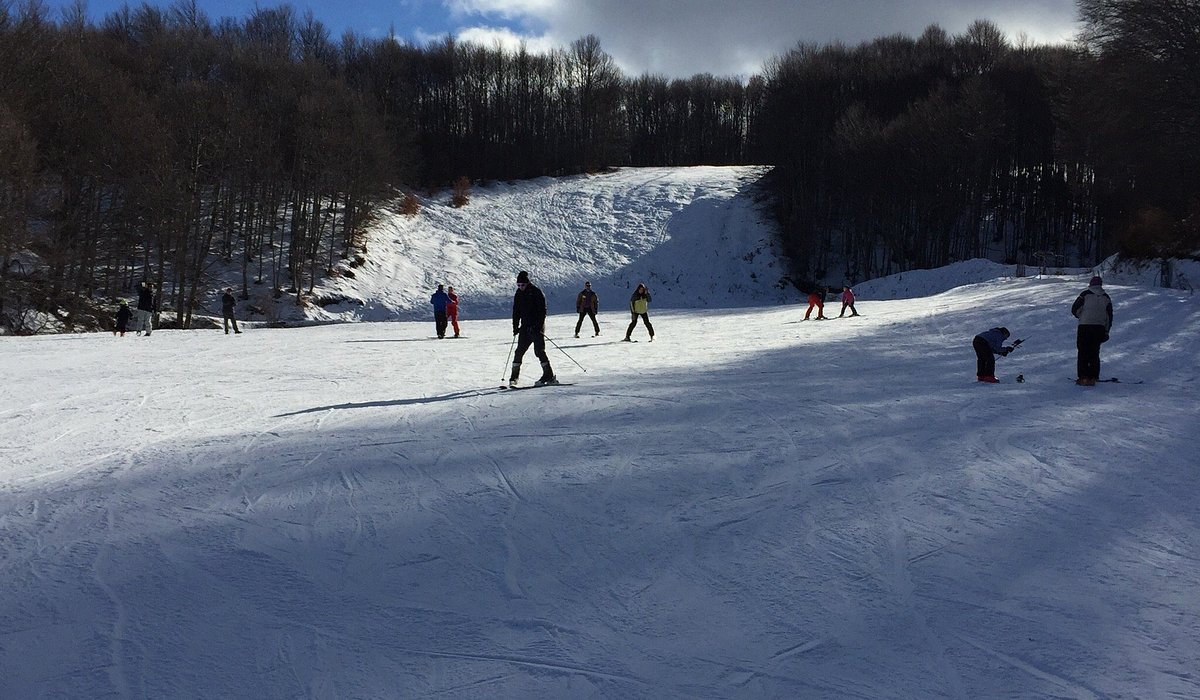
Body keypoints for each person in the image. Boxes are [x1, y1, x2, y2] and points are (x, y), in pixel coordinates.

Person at [509, 271, 556, 386]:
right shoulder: (518, 294)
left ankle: (549, 375)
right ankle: (514, 377)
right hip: (525, 327)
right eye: (518, 285)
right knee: (519, 351)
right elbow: (516, 311)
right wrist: (515, 326)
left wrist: (538, 326)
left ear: (527, 283)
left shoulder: (536, 292)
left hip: (536, 327)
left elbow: (542, 311)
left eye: (522, 285)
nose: (521, 287)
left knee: (539, 351)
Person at [1071, 275, 1113, 386]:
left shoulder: (1085, 295)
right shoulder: (1106, 297)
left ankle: (1083, 377)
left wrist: (1080, 315)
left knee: (1083, 352)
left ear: (1090, 284)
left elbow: (1074, 309)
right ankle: (1093, 376)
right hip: (1099, 328)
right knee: (1094, 352)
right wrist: (1106, 331)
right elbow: (1109, 316)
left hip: (1084, 326)